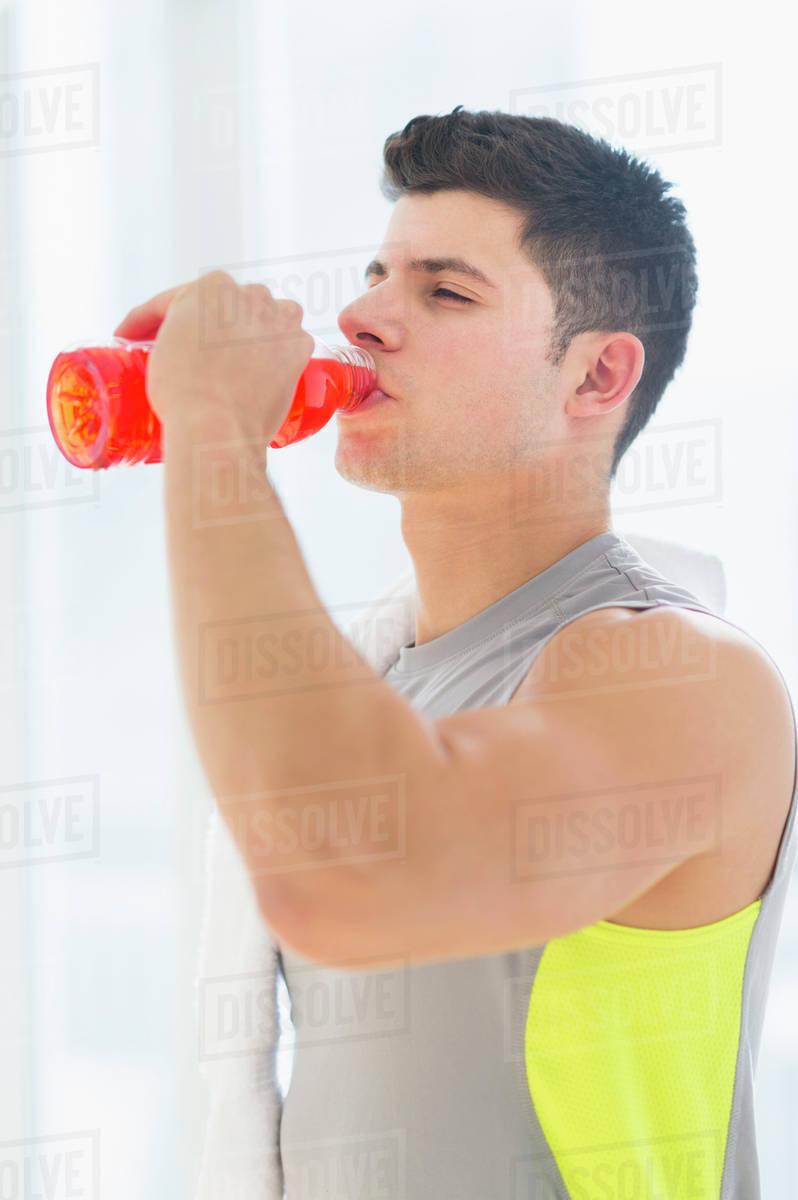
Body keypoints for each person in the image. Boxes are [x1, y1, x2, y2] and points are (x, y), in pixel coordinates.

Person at [115, 108, 797, 1199]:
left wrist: (210, 429)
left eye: (444, 291)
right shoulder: (378, 680)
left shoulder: (683, 680)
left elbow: (345, 873)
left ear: (595, 378)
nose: (360, 317)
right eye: (378, 276)